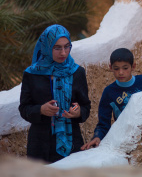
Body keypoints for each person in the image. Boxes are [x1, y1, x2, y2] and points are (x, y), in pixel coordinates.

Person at [19, 24, 91, 163]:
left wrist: (78, 112)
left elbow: (85, 107)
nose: (63, 53)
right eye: (57, 48)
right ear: (46, 47)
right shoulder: (32, 74)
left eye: (67, 46)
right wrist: (41, 110)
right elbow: (24, 109)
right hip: (40, 147)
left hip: (72, 144)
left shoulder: (77, 72)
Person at [81, 48, 142, 150]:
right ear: (110, 67)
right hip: (125, 139)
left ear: (133, 66)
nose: (121, 72)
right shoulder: (109, 92)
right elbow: (104, 123)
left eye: (125, 68)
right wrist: (97, 136)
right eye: (116, 68)